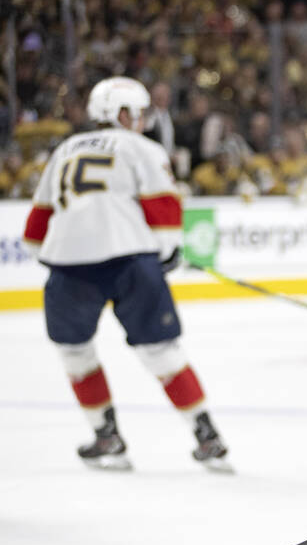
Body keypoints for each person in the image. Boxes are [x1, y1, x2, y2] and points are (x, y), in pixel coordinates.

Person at [21, 76, 231, 473]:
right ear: (114, 113)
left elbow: (35, 231)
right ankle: (206, 433)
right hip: (131, 260)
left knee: (74, 352)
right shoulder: (142, 147)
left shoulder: (64, 149)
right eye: (133, 113)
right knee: (161, 351)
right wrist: (166, 251)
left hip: (70, 266)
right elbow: (164, 206)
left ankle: (106, 436)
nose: (140, 121)